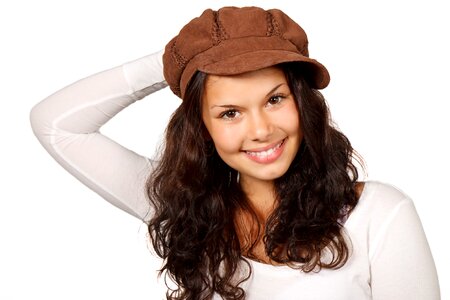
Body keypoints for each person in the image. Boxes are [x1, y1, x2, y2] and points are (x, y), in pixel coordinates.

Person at [30, 6, 440, 300]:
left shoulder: (380, 215)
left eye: (275, 99)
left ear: (303, 103)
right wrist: (183, 58)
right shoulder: (183, 210)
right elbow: (55, 123)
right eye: (230, 112)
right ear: (202, 129)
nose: (261, 130)